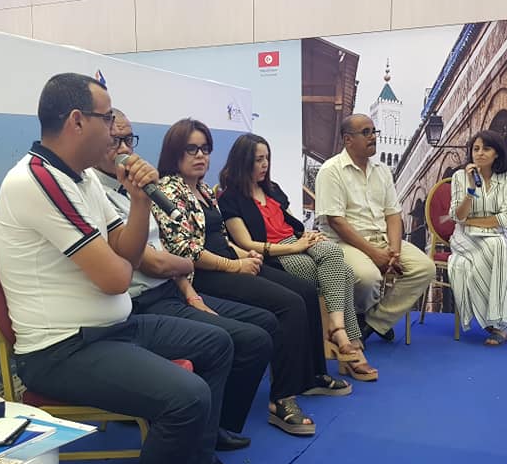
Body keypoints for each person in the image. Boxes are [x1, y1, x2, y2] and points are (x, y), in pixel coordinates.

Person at [0, 73, 239, 464]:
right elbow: (115, 276)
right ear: (76, 121)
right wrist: (127, 258)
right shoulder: (36, 181)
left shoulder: (81, 177)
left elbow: (125, 252)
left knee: (217, 343)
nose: (115, 131)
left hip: (112, 327)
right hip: (62, 349)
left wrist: (139, 198)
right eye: (107, 119)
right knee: (185, 397)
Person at [154, 118, 353, 439]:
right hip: (205, 275)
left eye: (205, 149)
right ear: (174, 152)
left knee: (304, 291)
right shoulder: (168, 191)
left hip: (228, 263)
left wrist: (243, 255)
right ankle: (281, 398)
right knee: (288, 305)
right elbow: (186, 251)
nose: (201, 155)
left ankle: (312, 376)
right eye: (192, 149)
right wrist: (234, 265)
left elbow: (220, 237)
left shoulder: (203, 190)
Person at [92, 109, 276, 453]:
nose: (124, 149)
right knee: (231, 340)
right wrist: (193, 264)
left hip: (174, 288)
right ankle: (200, 449)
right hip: (140, 303)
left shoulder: (137, 189)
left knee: (262, 328)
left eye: (128, 139)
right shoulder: (96, 194)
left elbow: (167, 255)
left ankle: (217, 425)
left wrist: (191, 294)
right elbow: (156, 260)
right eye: (114, 140)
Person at [218, 133, 377, 380]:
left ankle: (337, 331)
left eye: (267, 158)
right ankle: (351, 344)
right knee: (343, 273)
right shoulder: (230, 199)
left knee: (333, 252)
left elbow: (291, 223)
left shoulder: (272, 189)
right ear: (243, 161)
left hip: (296, 240)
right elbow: (246, 243)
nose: (265, 164)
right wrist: (294, 248)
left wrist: (308, 237)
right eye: (258, 159)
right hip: (273, 253)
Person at [315, 113, 435, 341]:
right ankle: (365, 316)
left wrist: (394, 251)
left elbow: (393, 214)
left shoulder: (382, 170)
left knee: (425, 268)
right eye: (366, 132)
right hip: (344, 242)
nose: (373, 137)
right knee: (368, 278)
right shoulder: (331, 170)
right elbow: (336, 221)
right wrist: (375, 254)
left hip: (382, 239)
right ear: (348, 140)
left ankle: (374, 321)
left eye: (374, 131)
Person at [448, 129, 507, 345]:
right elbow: (458, 216)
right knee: (497, 248)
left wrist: (473, 222)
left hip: (496, 234)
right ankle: (498, 323)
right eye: (476, 149)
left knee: (497, 245)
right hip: (465, 237)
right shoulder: (460, 177)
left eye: (486, 149)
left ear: (496, 153)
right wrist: (471, 189)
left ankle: (498, 322)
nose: (479, 153)